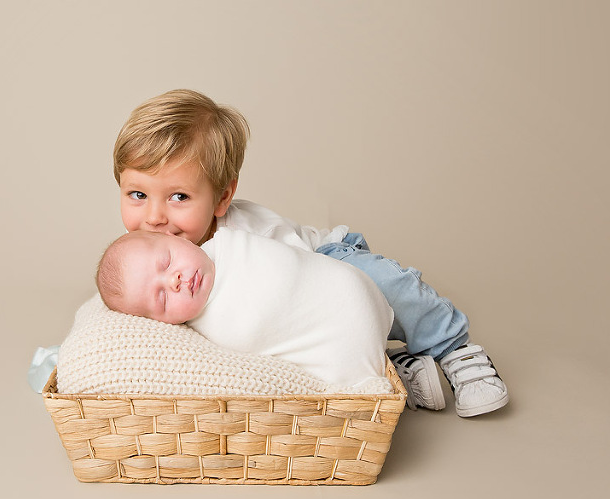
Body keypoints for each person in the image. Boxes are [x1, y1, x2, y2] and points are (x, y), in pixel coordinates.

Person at [111, 88, 509, 417]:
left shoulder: (253, 237)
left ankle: (453, 348)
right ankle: (397, 369)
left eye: (179, 197)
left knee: (387, 288)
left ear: (221, 197)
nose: (154, 217)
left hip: (323, 264)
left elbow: (312, 292)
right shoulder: (144, 260)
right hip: (291, 318)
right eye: (138, 195)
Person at [96, 228, 394, 392]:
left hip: (359, 290)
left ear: (175, 238)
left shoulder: (229, 241)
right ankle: (395, 368)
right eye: (162, 298)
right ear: (163, 323)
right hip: (345, 356)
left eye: (166, 262)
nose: (174, 280)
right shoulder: (207, 338)